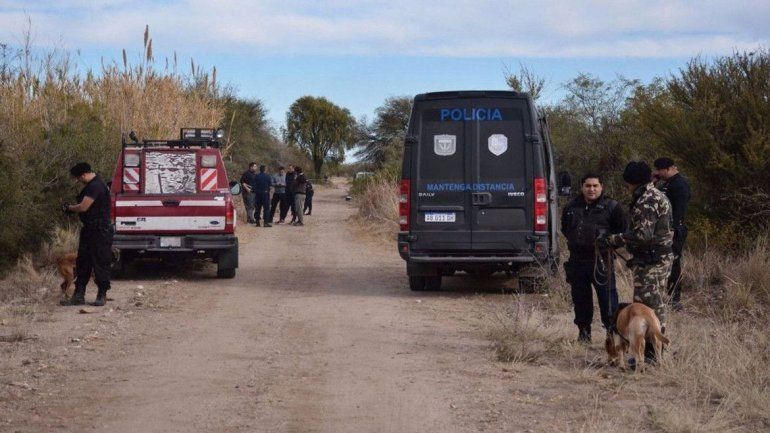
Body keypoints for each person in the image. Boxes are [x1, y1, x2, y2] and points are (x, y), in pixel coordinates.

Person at [600, 161, 673, 363]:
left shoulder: (647, 200)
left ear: (633, 182)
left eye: (628, 183)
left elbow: (643, 234)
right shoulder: (655, 195)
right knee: (652, 305)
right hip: (653, 258)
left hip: (653, 261)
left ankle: (651, 354)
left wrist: (614, 239)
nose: (627, 187)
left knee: (649, 307)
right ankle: (651, 353)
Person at [561, 174, 628, 342]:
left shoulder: (612, 207)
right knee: (580, 300)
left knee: (608, 301)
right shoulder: (571, 207)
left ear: (601, 187)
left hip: (602, 262)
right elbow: (565, 229)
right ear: (582, 187)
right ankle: (584, 334)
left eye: (595, 186)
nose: (591, 189)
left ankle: (612, 335)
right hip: (577, 261)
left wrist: (607, 244)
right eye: (588, 186)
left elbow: (623, 233)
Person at [61, 163, 113, 307]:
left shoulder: (95, 186)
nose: (78, 181)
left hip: (99, 230)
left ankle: (102, 294)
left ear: (83, 175)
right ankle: (78, 295)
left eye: (78, 178)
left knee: (100, 262)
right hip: (90, 229)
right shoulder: (95, 185)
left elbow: (84, 206)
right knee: (83, 262)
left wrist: (68, 208)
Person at [654, 157, 691, 311]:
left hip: (674, 230)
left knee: (673, 262)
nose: (657, 173)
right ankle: (664, 294)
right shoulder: (667, 184)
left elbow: (679, 210)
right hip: (663, 230)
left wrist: (673, 230)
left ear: (668, 169)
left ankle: (675, 298)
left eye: (659, 170)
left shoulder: (680, 184)